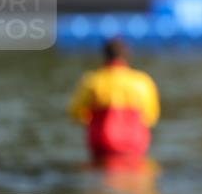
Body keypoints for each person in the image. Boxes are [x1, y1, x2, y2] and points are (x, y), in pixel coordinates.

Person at [68, 38, 161, 169]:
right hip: (134, 144)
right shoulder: (142, 82)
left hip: (102, 145)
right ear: (127, 56)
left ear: (104, 55)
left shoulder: (92, 81)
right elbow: (151, 117)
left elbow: (75, 113)